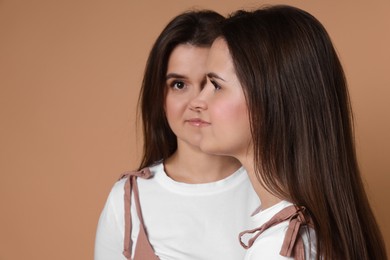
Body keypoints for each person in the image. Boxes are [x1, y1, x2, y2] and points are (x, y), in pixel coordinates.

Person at [192, 5, 387, 260]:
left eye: (216, 85)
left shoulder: (279, 249)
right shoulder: (309, 231)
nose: (197, 101)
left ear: (268, 98)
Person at [94, 10, 260, 260]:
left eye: (212, 84)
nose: (197, 102)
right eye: (179, 85)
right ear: (160, 96)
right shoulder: (127, 201)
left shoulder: (273, 190)